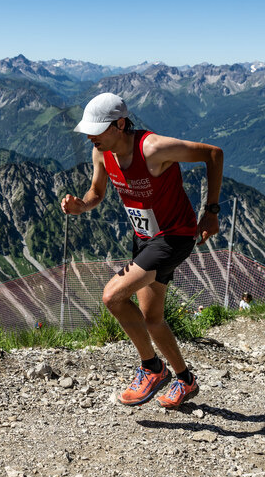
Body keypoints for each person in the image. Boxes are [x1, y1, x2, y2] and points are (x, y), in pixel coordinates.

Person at [61, 92, 223, 408]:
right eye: (89, 130)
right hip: (144, 238)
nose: (91, 136)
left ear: (120, 124)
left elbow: (213, 154)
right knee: (152, 319)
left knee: (113, 296)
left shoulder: (152, 148)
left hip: (174, 237)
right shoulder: (102, 153)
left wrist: (211, 211)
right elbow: (97, 192)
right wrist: (82, 206)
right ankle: (186, 381)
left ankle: (151, 368)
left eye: (98, 129)